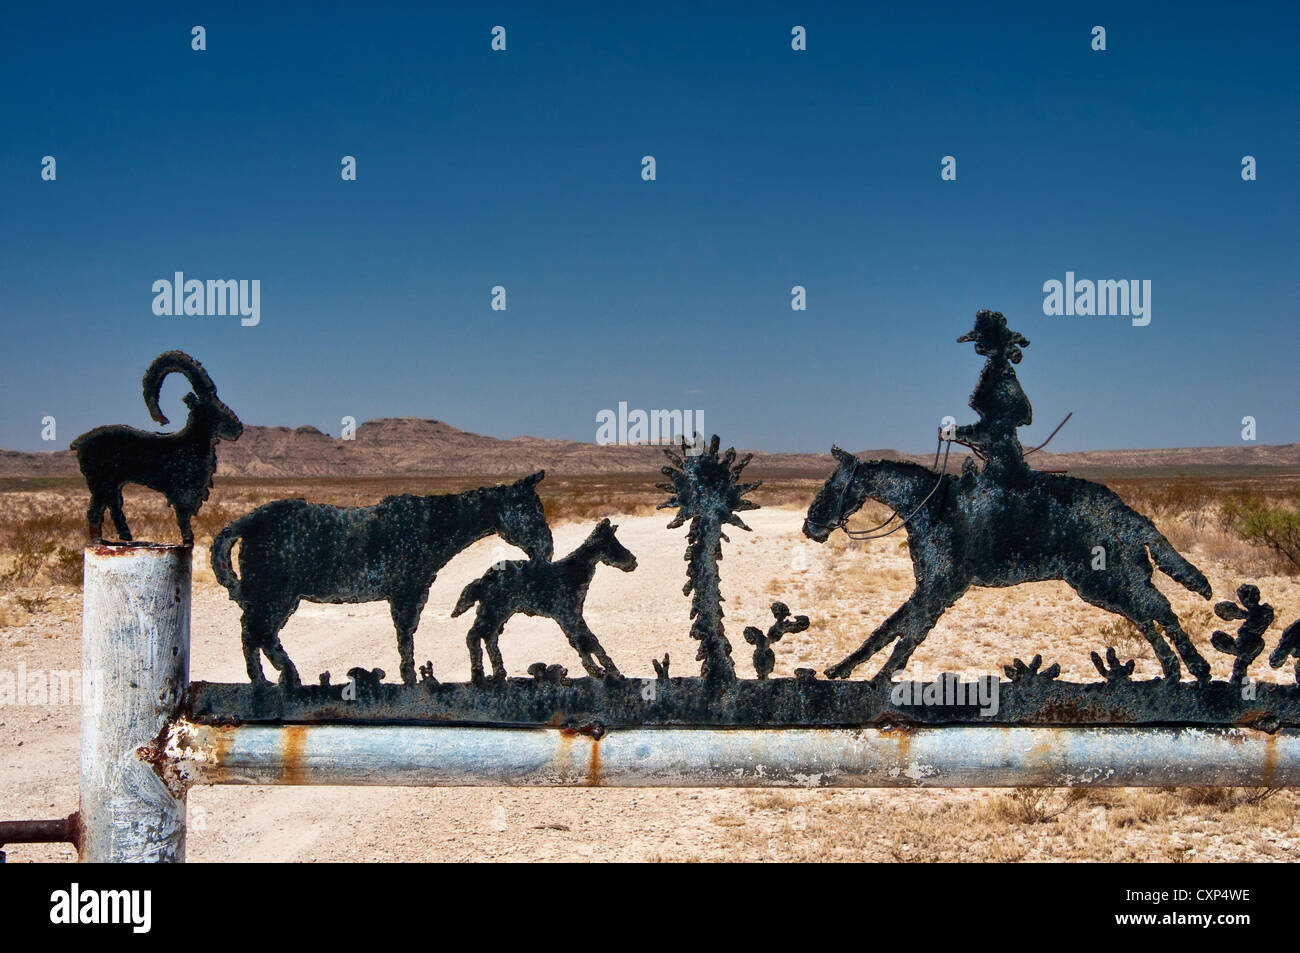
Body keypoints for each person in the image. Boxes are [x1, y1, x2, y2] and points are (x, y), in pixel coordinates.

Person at [950, 310, 1033, 485]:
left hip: (1002, 470)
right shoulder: (996, 375)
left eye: (982, 341)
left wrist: (956, 433)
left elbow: (989, 430)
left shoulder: (999, 381)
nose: (978, 346)